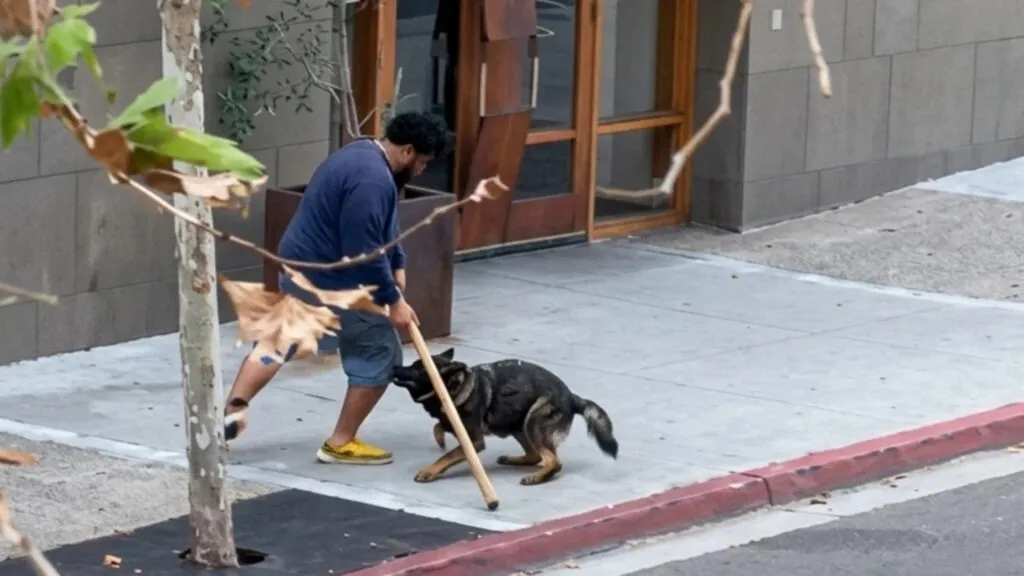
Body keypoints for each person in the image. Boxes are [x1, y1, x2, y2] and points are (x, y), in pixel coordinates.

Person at [222, 111, 451, 466]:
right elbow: (362, 253)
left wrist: (399, 263)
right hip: (336, 279)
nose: (421, 170)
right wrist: (392, 301)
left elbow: (384, 227)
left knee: (278, 340)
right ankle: (341, 442)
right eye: (422, 162)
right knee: (381, 356)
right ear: (407, 151)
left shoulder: (361, 153)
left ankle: (227, 415)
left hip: (301, 263)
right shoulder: (373, 181)